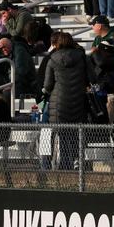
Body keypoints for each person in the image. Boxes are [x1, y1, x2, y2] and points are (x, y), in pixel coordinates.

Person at [43, 31, 90, 170]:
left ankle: (64, 165)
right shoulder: (82, 57)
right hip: (78, 100)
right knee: (76, 133)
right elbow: (91, 77)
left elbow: (47, 85)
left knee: (61, 134)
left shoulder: (52, 59)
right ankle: (77, 161)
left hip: (59, 102)